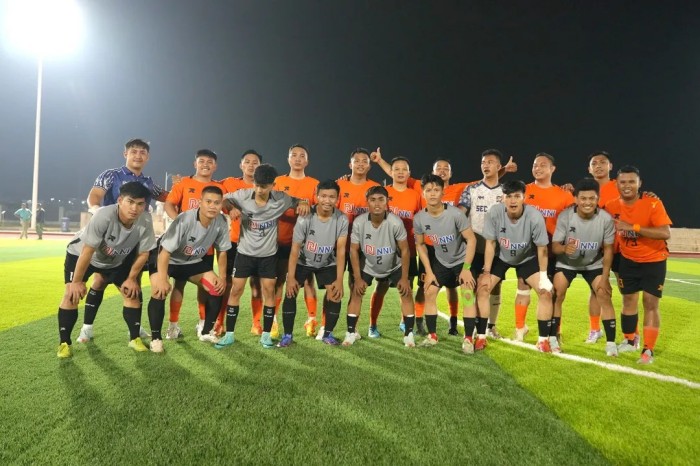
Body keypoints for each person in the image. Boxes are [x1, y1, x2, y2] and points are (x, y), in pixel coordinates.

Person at [78, 138, 167, 339]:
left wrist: (182, 186)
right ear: (125, 154)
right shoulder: (111, 175)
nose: (138, 155)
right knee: (99, 280)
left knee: (134, 282)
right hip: (109, 238)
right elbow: (94, 196)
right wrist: (97, 212)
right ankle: (87, 327)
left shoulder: (148, 182)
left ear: (148, 157)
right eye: (134, 151)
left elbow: (167, 196)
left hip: (134, 240)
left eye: (142, 152)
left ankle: (135, 328)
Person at [56, 182, 156, 358]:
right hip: (81, 256)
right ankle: (64, 343)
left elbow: (143, 253)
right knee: (71, 295)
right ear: (120, 200)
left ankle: (134, 339)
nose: (135, 208)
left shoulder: (146, 220)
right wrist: (76, 282)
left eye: (140, 204)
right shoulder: (104, 215)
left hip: (115, 260)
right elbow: (87, 252)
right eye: (130, 202)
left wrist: (131, 279)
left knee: (132, 294)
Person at [216, 164, 310, 349]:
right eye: (257, 185)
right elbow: (223, 199)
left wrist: (303, 203)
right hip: (244, 254)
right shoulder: (243, 195)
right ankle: (229, 335)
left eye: (264, 186)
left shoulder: (281, 198)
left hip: (268, 256)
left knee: (269, 292)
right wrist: (230, 208)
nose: (259, 190)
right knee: (235, 290)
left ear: (273, 185)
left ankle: (266, 335)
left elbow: (298, 201)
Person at [146, 186, 231, 353]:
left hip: (191, 261)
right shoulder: (185, 219)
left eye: (217, 203)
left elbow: (222, 251)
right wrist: (162, 279)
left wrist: (222, 277)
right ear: (200, 202)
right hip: (166, 258)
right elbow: (165, 252)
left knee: (217, 288)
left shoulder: (221, 221)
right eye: (208, 202)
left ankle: (206, 332)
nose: (212, 206)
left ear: (221, 205)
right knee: (159, 291)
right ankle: (156, 339)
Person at [476, 180, 555, 352]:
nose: (513, 200)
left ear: (524, 198)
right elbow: (490, 243)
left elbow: (542, 248)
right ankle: (481, 337)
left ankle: (543, 340)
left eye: (517, 196)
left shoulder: (534, 216)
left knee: (546, 293)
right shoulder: (494, 212)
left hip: (527, 258)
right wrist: (487, 272)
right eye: (509, 196)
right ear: (502, 198)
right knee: (482, 288)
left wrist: (543, 276)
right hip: (501, 257)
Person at [604, 166, 672, 364]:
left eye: (632, 182)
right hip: (628, 260)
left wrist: (633, 227)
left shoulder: (652, 203)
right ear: (616, 184)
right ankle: (630, 340)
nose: (627, 186)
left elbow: (665, 232)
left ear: (639, 183)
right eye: (623, 182)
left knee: (650, 303)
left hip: (654, 260)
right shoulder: (611, 206)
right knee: (628, 301)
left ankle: (648, 350)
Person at [509, 153, 574, 342]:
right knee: (523, 286)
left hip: (553, 251)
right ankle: (520, 329)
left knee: (555, 293)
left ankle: (555, 332)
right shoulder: (523, 190)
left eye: (542, 165)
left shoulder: (564, 195)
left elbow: (573, 221)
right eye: (535, 165)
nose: (537, 168)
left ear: (552, 169)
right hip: (528, 249)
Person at [162, 149, 225, 339]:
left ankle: (203, 323)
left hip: (205, 247)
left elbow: (229, 203)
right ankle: (173, 325)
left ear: (215, 166)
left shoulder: (220, 187)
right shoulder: (184, 183)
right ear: (195, 164)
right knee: (178, 284)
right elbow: (169, 204)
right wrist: (179, 223)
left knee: (204, 287)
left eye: (210, 161)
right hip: (183, 246)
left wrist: (233, 210)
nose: (205, 164)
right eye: (201, 161)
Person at [551, 179, 617, 356]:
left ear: (598, 199)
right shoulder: (565, 216)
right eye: (583, 198)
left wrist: (605, 278)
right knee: (557, 293)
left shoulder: (606, 219)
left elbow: (608, 250)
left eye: (592, 198)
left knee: (603, 294)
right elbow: (555, 246)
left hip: (593, 263)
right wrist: (564, 248)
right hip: (566, 263)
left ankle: (611, 344)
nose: (587, 202)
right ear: (576, 199)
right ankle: (554, 336)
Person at [344, 185, 416, 347]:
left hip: (393, 265)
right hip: (368, 265)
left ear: (387, 202)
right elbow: (353, 250)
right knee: (356, 292)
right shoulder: (359, 222)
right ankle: (350, 333)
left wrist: (404, 278)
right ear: (367, 202)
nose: (377, 204)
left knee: (406, 292)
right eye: (373, 200)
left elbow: (405, 250)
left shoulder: (395, 222)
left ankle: (409, 335)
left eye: (381, 200)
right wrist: (357, 278)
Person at [413, 174, 478, 352]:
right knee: (429, 292)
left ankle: (468, 339)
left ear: (443, 192)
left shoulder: (455, 214)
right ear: (423, 193)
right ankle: (432, 336)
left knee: (467, 293)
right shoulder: (419, 218)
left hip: (461, 260)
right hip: (441, 262)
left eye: (436, 190)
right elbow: (420, 244)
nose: (432, 193)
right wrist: (429, 271)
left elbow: (471, 239)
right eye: (428, 190)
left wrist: (466, 268)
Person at [279, 180, 348, 346]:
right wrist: (291, 277)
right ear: (317, 196)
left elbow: (340, 250)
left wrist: (339, 280)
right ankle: (287, 336)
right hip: (303, 260)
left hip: (326, 262)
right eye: (323, 196)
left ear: (338, 198)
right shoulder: (305, 217)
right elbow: (295, 249)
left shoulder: (342, 218)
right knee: (291, 292)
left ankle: (327, 334)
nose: (327, 200)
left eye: (332, 197)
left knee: (335, 294)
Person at [364, 152, 422, 337]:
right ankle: (372, 325)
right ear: (391, 172)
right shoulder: (383, 194)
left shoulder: (416, 195)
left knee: (406, 288)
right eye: (396, 169)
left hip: (407, 250)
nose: (400, 172)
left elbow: (420, 220)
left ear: (409, 173)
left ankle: (405, 323)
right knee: (380, 287)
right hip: (385, 250)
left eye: (404, 169)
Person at [458, 149, 506, 339]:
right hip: (474, 245)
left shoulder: (506, 192)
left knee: (491, 288)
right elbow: (460, 214)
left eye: (490, 162)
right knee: (468, 287)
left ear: (499, 166)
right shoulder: (471, 189)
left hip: (496, 248)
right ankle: (470, 328)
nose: (486, 165)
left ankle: (490, 326)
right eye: (483, 162)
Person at [332, 148, 380, 339]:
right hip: (338, 244)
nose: (360, 164)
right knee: (333, 286)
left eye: (364, 161)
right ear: (350, 164)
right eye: (357, 160)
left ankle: (353, 329)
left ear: (369, 165)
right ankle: (326, 327)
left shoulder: (375, 187)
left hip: (362, 247)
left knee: (356, 286)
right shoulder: (339, 185)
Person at [274, 144, 320, 337]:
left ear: (307, 161)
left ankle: (311, 319)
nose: (298, 158)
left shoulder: (314, 184)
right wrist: (295, 207)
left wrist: (308, 209)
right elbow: (272, 206)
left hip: (306, 242)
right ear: (288, 159)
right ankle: (274, 320)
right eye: (294, 155)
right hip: (282, 240)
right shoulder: (279, 181)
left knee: (308, 281)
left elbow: (320, 210)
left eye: (302, 156)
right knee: (279, 280)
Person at [220, 150, 268, 336]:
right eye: (247, 162)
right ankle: (220, 322)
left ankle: (256, 323)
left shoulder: (268, 186)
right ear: (241, 165)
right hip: (235, 244)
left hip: (259, 243)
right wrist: (230, 207)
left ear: (260, 166)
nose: (251, 165)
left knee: (257, 286)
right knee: (229, 285)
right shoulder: (230, 183)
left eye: (255, 162)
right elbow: (218, 195)